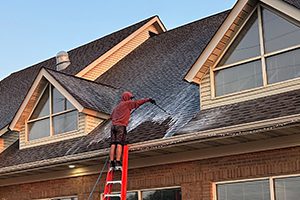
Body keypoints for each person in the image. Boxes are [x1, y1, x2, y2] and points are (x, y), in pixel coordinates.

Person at [109, 91, 155, 169]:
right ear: (127, 98)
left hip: (113, 126)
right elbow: (138, 102)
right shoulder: (127, 103)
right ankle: (117, 161)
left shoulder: (117, 107)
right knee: (119, 143)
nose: (131, 99)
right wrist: (148, 100)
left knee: (113, 144)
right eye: (130, 98)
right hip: (121, 126)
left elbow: (111, 116)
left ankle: (111, 162)